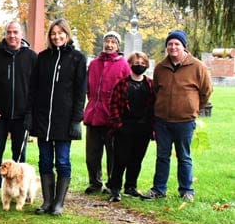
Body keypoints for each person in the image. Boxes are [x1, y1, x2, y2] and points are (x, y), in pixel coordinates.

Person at [143, 30, 213, 202]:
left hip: (185, 121)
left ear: (184, 47)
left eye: (177, 44)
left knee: (184, 156)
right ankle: (159, 189)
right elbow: (156, 91)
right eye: (170, 44)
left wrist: (194, 108)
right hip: (162, 121)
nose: (173, 47)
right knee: (162, 156)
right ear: (167, 47)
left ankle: (186, 190)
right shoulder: (161, 67)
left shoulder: (197, 67)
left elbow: (206, 91)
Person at [29, 18, 87, 216]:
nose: (57, 37)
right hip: (44, 119)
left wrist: (76, 120)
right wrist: (31, 116)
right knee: (45, 160)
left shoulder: (78, 59)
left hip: (65, 119)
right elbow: (33, 90)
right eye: (53, 33)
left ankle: (58, 203)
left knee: (62, 161)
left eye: (60, 33)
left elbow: (80, 92)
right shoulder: (42, 58)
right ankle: (47, 201)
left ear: (67, 34)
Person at [0, 21, 37, 201]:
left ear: (21, 34)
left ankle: (21, 188)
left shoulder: (31, 57)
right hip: (0, 115)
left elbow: (36, 88)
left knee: (19, 155)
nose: (12, 36)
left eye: (15, 32)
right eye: (9, 32)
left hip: (22, 115)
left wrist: (31, 113)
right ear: (5, 34)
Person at [83, 31, 131, 194]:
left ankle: (112, 183)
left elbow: (127, 89)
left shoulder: (123, 64)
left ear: (118, 45)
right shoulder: (94, 64)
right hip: (94, 115)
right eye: (107, 41)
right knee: (92, 154)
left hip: (112, 117)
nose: (109, 45)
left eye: (113, 42)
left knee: (113, 154)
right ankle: (95, 182)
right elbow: (88, 88)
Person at [106, 52, 154, 202]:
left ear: (146, 65)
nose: (139, 65)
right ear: (130, 64)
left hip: (144, 128)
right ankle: (115, 188)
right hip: (125, 127)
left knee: (136, 159)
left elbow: (154, 106)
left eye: (142, 62)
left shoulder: (151, 85)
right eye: (136, 62)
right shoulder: (122, 84)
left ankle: (131, 187)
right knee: (120, 159)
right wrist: (118, 124)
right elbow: (113, 104)